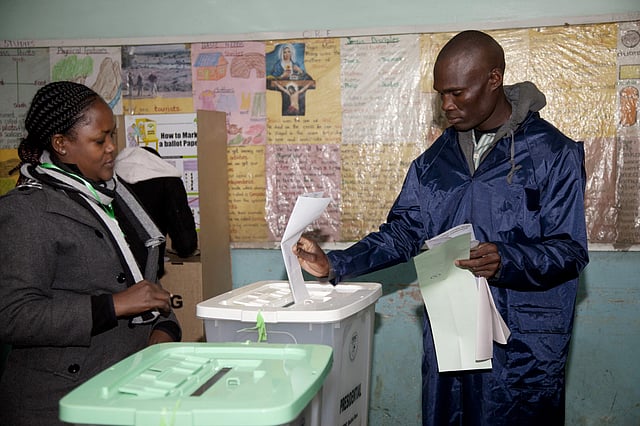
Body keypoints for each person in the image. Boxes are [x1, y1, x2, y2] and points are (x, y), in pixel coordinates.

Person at [294, 30, 589, 425]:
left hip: (523, 343)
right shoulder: (436, 160)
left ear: (494, 79)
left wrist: (508, 259)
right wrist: (336, 264)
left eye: (457, 93)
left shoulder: (552, 153)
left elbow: (570, 250)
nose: (447, 105)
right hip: (453, 335)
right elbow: (403, 232)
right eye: (441, 95)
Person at [0, 81, 181, 426]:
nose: (112, 148)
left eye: (113, 135)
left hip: (126, 385)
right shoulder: (27, 210)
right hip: (59, 401)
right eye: (100, 140)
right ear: (61, 145)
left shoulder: (116, 197)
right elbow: (12, 315)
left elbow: (144, 287)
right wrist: (113, 306)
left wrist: (163, 331)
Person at [115, 145, 198, 277]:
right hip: (150, 264)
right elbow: (182, 231)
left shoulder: (110, 180)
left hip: (115, 268)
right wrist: (186, 250)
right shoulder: (168, 180)